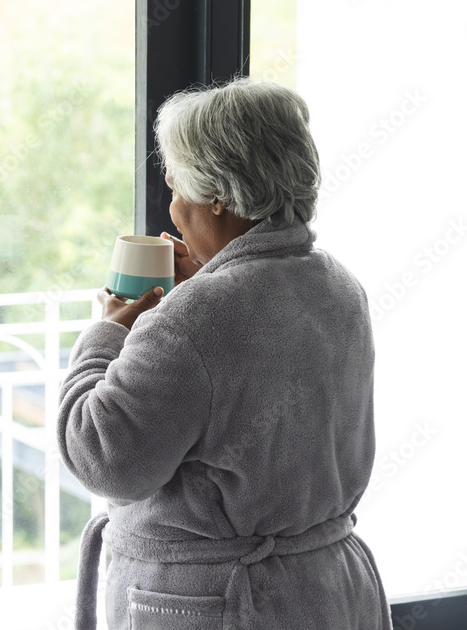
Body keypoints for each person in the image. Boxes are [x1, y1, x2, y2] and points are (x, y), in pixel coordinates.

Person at [58, 77, 391, 629]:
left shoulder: (192, 319)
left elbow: (105, 458)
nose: (172, 211)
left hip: (222, 605)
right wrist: (209, 281)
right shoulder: (338, 287)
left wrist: (106, 336)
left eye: (176, 189)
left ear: (216, 196)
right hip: (329, 592)